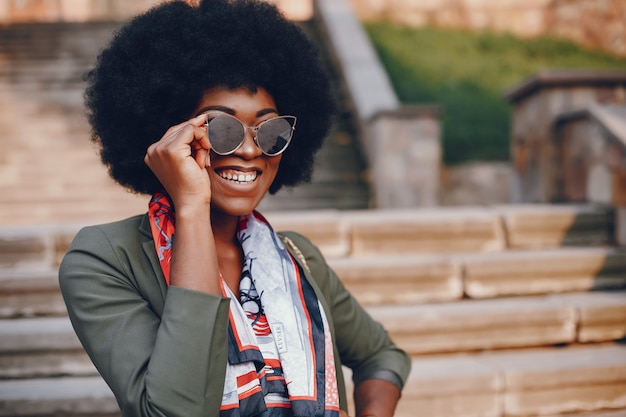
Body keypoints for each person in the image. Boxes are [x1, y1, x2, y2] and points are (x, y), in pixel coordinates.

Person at [58, 1, 411, 416]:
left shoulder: (298, 259)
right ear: (169, 136)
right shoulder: (105, 259)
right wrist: (191, 206)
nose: (248, 150)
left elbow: (382, 357)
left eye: (270, 130)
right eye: (221, 128)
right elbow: (175, 410)